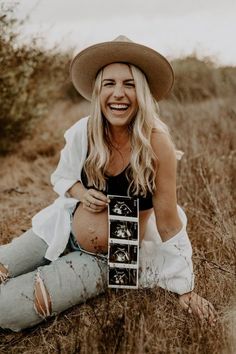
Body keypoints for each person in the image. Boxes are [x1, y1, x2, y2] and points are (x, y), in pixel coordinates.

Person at [0, 35, 216, 332]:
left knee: (7, 310)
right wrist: (82, 192)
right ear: (98, 90)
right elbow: (62, 178)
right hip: (62, 227)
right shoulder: (85, 131)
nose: (119, 94)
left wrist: (185, 287)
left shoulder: (157, 145)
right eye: (109, 84)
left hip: (111, 257)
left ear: (142, 93)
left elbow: (168, 222)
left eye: (129, 84)